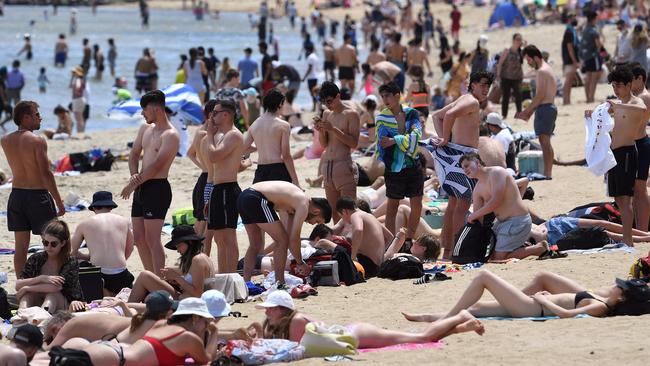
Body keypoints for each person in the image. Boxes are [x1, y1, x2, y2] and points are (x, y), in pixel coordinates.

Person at [255, 290, 484, 347]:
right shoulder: (278, 323)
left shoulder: (296, 320)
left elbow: (296, 349)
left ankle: (461, 315)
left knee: (421, 337)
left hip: (357, 334)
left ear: (283, 309)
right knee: (418, 339)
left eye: (270, 309)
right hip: (352, 334)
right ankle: (463, 326)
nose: (266, 312)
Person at [403, 270, 650, 320]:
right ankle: (431, 317)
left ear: (623, 297)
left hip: (533, 308)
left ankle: (444, 317)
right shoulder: (603, 299)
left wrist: (542, 299)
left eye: (621, 287)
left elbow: (566, 314)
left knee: (483, 277)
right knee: (476, 308)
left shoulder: (600, 308)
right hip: (532, 304)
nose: (617, 285)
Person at [431, 71, 493, 259]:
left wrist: (446, 142)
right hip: (463, 156)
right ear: (472, 85)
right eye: (482, 84)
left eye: (487, 86)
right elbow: (447, 115)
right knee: (462, 205)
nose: (485, 89)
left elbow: (436, 116)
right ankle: (456, 248)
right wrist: (444, 139)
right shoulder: (471, 102)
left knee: (453, 205)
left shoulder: (464, 99)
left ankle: (447, 251)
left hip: (455, 156)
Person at [585, 66, 646, 246]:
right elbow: (602, 120)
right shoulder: (616, 105)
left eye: (618, 86)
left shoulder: (635, 103)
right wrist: (592, 115)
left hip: (627, 153)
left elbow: (641, 110)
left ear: (628, 85)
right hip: (614, 155)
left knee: (626, 199)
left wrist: (617, 105)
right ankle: (627, 239)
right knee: (619, 199)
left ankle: (628, 241)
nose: (615, 90)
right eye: (613, 86)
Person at [120, 90, 180, 275]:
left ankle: (161, 279)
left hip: (157, 188)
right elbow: (134, 154)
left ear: (155, 109)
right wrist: (133, 176)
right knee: (139, 238)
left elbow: (156, 166)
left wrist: (133, 184)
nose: (141, 113)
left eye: (144, 109)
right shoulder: (145, 129)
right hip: (141, 186)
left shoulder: (170, 135)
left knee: (153, 239)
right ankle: (150, 277)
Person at [2, 101, 65, 275]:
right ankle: (53, 279)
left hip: (17, 196)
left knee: (20, 246)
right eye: (37, 114)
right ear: (26, 117)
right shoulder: (37, 141)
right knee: (52, 242)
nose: (40, 117)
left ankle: (22, 285)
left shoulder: (5, 140)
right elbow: (46, 174)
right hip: (38, 197)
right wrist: (59, 202)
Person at [78, 298, 220, 366]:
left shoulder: (161, 324)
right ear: (195, 318)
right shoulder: (187, 338)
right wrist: (214, 333)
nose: (206, 326)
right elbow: (206, 359)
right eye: (205, 322)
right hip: (113, 360)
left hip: (106, 349)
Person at [238, 181, 331, 285]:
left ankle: (246, 282)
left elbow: (291, 238)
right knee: (282, 240)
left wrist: (299, 261)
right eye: (317, 221)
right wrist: (300, 263)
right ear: (316, 211)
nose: (312, 224)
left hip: (244, 196)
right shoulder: (303, 204)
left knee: (255, 244)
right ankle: (280, 283)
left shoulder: (294, 202)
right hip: (257, 198)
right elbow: (293, 239)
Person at [460, 153, 547, 260]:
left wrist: (473, 215)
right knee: (490, 257)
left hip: (518, 221)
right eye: (462, 168)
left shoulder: (497, 172)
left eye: (467, 165)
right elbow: (479, 220)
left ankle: (539, 248)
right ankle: (521, 246)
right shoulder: (477, 189)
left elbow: (496, 201)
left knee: (499, 258)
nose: (464, 169)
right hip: (501, 223)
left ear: (477, 162)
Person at [375, 82, 423, 247]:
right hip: (394, 166)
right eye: (382, 96)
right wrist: (402, 140)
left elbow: (416, 138)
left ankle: (409, 238)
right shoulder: (382, 117)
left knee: (416, 203)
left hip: (413, 164)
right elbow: (382, 142)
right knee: (392, 206)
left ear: (397, 95)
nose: (385, 99)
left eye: (388, 95)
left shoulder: (412, 114)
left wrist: (394, 140)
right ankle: (390, 240)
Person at [204, 100, 244, 273]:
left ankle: (231, 275)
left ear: (226, 115)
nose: (212, 116)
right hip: (217, 188)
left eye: (215, 112)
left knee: (228, 236)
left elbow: (214, 156)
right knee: (219, 238)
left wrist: (210, 135)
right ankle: (223, 275)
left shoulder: (234, 135)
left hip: (228, 188)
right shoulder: (221, 135)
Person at [70, 191, 135, 296]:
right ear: (111, 207)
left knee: (80, 264)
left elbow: (72, 252)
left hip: (98, 275)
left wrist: (87, 257)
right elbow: (130, 248)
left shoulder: (84, 224)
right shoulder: (124, 221)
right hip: (121, 274)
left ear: (94, 208)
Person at [128, 225, 215, 302]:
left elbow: (197, 294)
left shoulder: (198, 260)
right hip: (184, 298)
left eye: (179, 245)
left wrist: (177, 278)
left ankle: (127, 309)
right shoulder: (201, 257)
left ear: (190, 242)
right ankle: (128, 307)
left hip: (187, 303)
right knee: (146, 280)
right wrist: (177, 281)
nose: (177, 250)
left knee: (145, 276)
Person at [314, 82, 360, 223]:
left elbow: (354, 143)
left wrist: (333, 129)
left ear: (338, 96)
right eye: (324, 102)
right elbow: (324, 144)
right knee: (334, 212)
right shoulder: (327, 114)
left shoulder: (351, 114)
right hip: (328, 167)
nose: (327, 105)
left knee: (348, 212)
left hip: (343, 164)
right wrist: (321, 131)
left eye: (329, 101)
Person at [16, 219, 83, 314]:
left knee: (51, 296)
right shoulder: (36, 258)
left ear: (63, 243)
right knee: (27, 296)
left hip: (63, 303)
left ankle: (41, 318)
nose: (49, 247)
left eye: (53, 244)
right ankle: (21, 317)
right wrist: (41, 278)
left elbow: (56, 287)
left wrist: (27, 288)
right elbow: (18, 284)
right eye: (45, 243)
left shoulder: (70, 261)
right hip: (38, 299)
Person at [515, 45, 558, 178]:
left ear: (534, 57)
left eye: (528, 60)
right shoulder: (547, 69)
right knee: (546, 142)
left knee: (544, 143)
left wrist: (526, 111)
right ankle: (548, 172)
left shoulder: (541, 71)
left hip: (545, 109)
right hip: (549, 107)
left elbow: (540, 95)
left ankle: (547, 173)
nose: (528, 63)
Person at [244, 89, 300, 186]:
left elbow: (244, 148)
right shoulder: (283, 125)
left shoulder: (254, 124)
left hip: (261, 170)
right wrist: (296, 181)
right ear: (279, 104)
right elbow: (286, 155)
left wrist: (260, 146)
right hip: (278, 169)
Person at [333, 198, 392, 278]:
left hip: (368, 264)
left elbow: (358, 230)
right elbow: (390, 236)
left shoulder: (355, 215)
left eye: (342, 216)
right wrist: (381, 253)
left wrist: (353, 256)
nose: (344, 220)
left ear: (344, 211)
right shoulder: (370, 216)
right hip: (378, 266)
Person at [628, 62, 650, 231]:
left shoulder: (643, 96)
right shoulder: (638, 96)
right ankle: (640, 227)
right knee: (636, 191)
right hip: (637, 143)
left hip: (640, 144)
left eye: (630, 80)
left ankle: (642, 229)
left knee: (640, 190)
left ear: (640, 78)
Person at [496, 33, 524, 118]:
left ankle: (519, 113)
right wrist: (498, 76)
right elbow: (500, 63)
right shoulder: (507, 50)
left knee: (518, 96)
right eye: (517, 39)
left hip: (517, 77)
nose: (519, 41)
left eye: (520, 39)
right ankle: (504, 115)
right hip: (506, 77)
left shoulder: (521, 52)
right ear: (513, 40)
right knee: (506, 97)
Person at [580, 11, 603, 103]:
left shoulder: (585, 30)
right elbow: (599, 45)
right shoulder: (594, 31)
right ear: (593, 19)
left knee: (588, 78)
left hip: (586, 57)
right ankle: (591, 98)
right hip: (594, 57)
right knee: (594, 78)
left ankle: (587, 98)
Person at [561, 13, 580, 105]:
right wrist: (574, 61)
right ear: (569, 19)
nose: (575, 20)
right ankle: (566, 100)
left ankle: (567, 100)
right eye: (573, 18)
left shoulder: (572, 30)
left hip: (571, 59)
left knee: (570, 81)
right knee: (568, 81)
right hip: (569, 60)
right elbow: (569, 47)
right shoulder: (569, 31)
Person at [69, 65, 87, 133]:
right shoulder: (81, 79)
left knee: (78, 118)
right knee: (80, 117)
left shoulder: (78, 79)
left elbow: (77, 87)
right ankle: (81, 131)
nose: (73, 73)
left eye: (74, 72)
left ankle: (80, 132)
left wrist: (76, 91)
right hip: (80, 99)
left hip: (77, 99)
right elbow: (70, 86)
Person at [303, 43, 319, 112]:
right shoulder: (315, 56)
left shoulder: (310, 57)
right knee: (315, 93)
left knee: (312, 93)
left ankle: (315, 107)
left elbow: (310, 68)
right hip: (315, 76)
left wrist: (304, 77)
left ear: (308, 50)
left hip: (311, 77)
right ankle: (316, 106)